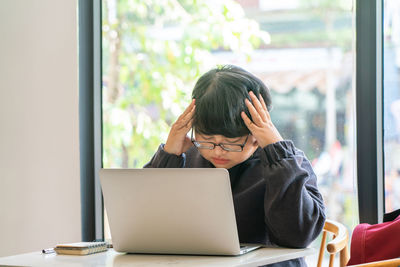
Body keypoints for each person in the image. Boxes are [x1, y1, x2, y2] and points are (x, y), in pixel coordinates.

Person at [144, 65, 326, 267]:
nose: (218, 151)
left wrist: (278, 154)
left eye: (231, 142)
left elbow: (298, 236)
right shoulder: (187, 157)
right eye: (207, 138)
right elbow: (144, 222)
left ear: (257, 133)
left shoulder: (289, 164)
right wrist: (168, 155)